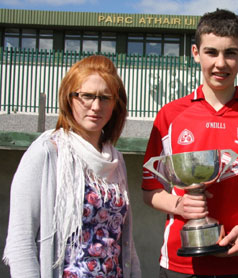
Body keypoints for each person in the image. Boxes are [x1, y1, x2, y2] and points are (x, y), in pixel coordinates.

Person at [142, 9, 238, 277]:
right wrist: (178, 205)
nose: (220, 63)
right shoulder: (170, 115)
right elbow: (150, 188)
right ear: (196, 53)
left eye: (230, 53)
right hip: (179, 264)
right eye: (211, 52)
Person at [3, 55, 141, 277]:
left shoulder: (115, 160)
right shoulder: (47, 152)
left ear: (116, 104)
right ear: (69, 98)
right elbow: (21, 241)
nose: (96, 106)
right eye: (86, 96)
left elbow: (125, 243)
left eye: (105, 97)